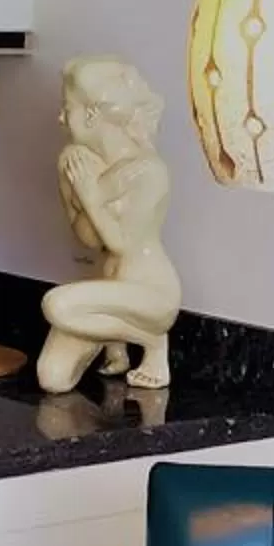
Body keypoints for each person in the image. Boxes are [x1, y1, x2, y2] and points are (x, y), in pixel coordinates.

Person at [37, 56, 183, 394]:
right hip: (105, 292)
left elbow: (120, 243)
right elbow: (88, 240)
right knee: (52, 378)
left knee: (56, 305)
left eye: (67, 107)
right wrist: (71, 191)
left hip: (150, 294)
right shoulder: (76, 161)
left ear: (90, 114)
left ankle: (153, 341)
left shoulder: (149, 171)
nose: (60, 117)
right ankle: (114, 342)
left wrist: (90, 194)